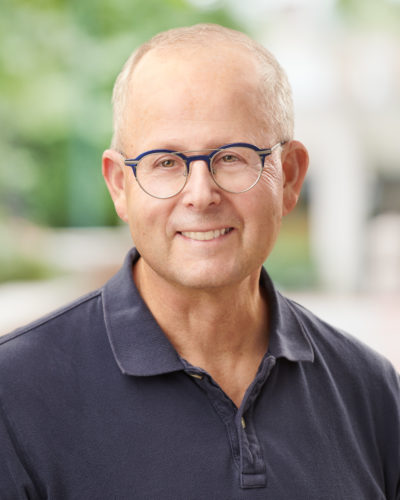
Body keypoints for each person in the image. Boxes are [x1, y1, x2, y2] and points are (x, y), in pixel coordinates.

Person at [0, 24, 399, 500]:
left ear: (289, 176)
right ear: (119, 186)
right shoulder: (15, 395)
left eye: (232, 157)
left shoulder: (371, 392)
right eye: (165, 162)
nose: (201, 194)